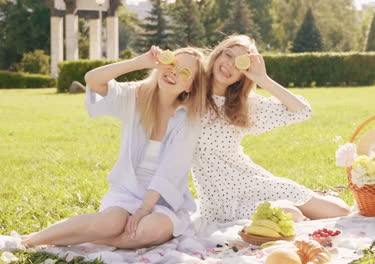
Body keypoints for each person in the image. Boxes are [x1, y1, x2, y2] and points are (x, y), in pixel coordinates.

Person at [21, 46, 206, 249]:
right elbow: (93, 79)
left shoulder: (189, 119)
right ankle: (29, 240)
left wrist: (144, 210)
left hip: (163, 199)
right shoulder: (137, 95)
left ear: (190, 87)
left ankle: (76, 237)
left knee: (147, 230)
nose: (174, 72)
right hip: (126, 190)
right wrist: (140, 62)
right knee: (112, 223)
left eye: (185, 73)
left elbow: (169, 171)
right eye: (172, 64)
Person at [192, 35, 351, 223]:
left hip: (254, 182)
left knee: (342, 211)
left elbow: (302, 111)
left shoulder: (242, 106)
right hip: (219, 202)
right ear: (217, 55)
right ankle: (293, 203)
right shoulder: (189, 95)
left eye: (239, 64)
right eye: (228, 55)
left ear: (244, 74)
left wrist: (263, 79)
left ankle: (308, 196)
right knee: (291, 215)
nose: (230, 65)